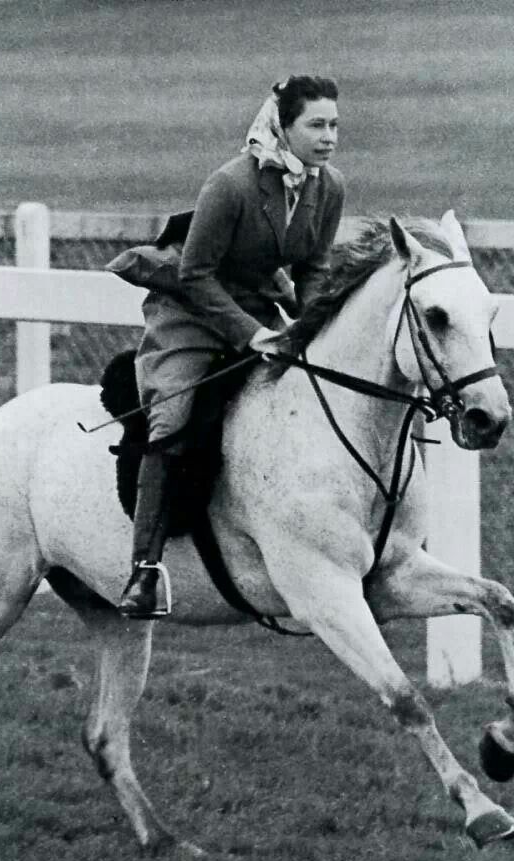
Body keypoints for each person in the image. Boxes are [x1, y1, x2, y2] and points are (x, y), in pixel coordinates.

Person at [117, 74, 345, 618]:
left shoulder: (328, 185)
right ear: (283, 127)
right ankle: (144, 571)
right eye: (316, 125)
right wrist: (252, 334)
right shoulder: (230, 184)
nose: (330, 136)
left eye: (335, 125)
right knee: (172, 418)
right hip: (192, 312)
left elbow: (313, 267)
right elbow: (195, 275)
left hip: (263, 306)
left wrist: (309, 327)